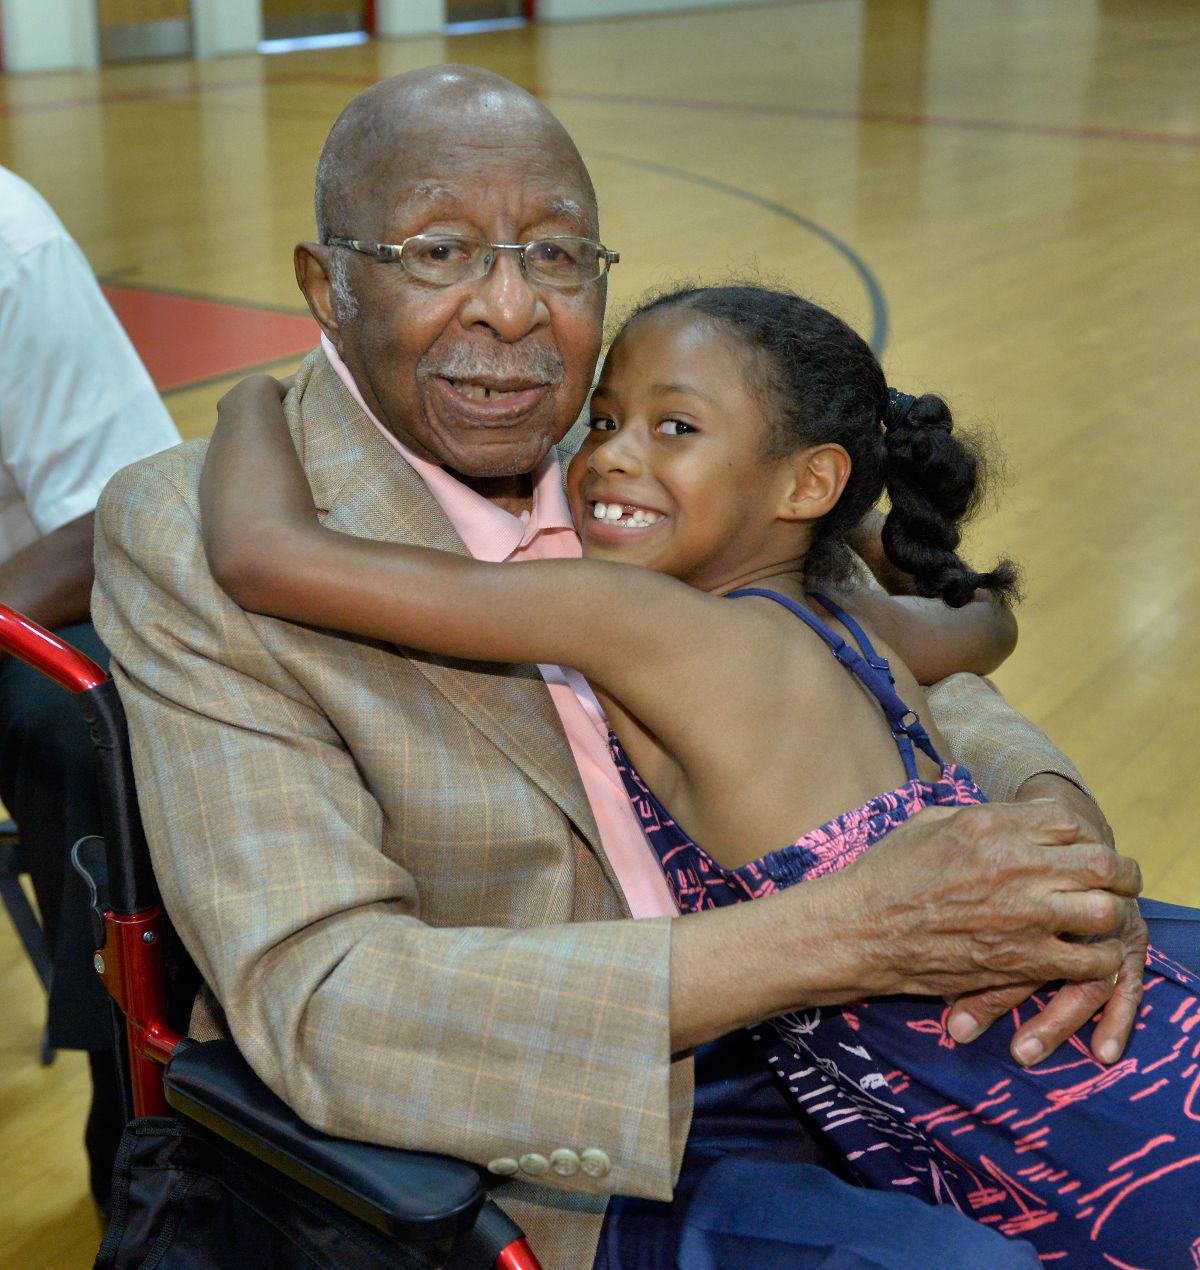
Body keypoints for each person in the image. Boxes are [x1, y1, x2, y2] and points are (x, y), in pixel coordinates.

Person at [92, 65, 1158, 1269]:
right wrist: (847, 934)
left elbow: (933, 685)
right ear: (326, 286)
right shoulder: (185, 530)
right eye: (439, 251)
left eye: (556, 256)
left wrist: (1056, 856)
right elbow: (330, 1004)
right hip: (591, 1131)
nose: (509, 308)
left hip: (880, 1025)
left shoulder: (657, 454)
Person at [0, 164, 181, 1209]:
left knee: (90, 725)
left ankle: (135, 1127)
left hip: (22, 604)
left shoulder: (11, 240)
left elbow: (122, 507)